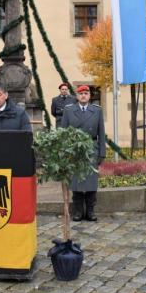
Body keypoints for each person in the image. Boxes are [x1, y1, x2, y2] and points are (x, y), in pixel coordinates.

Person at [59, 85, 106, 222]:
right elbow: (64, 133)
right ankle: (78, 212)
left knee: (91, 183)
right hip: (75, 149)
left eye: (86, 93)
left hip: (91, 148)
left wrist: (101, 153)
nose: (83, 96)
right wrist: (65, 152)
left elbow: (101, 133)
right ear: (77, 96)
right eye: (81, 94)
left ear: (89, 95)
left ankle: (90, 211)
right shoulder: (69, 110)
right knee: (76, 182)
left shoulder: (97, 111)